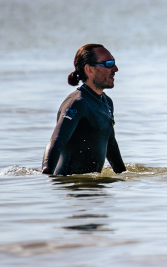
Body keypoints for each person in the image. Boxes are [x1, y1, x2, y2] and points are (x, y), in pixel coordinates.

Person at [41, 43, 126, 176]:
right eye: (109, 64)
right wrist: (46, 176)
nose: (115, 69)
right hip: (72, 186)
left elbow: (111, 145)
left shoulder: (107, 102)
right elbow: (56, 142)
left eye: (114, 62)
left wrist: (123, 176)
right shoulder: (76, 103)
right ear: (89, 69)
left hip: (95, 191)